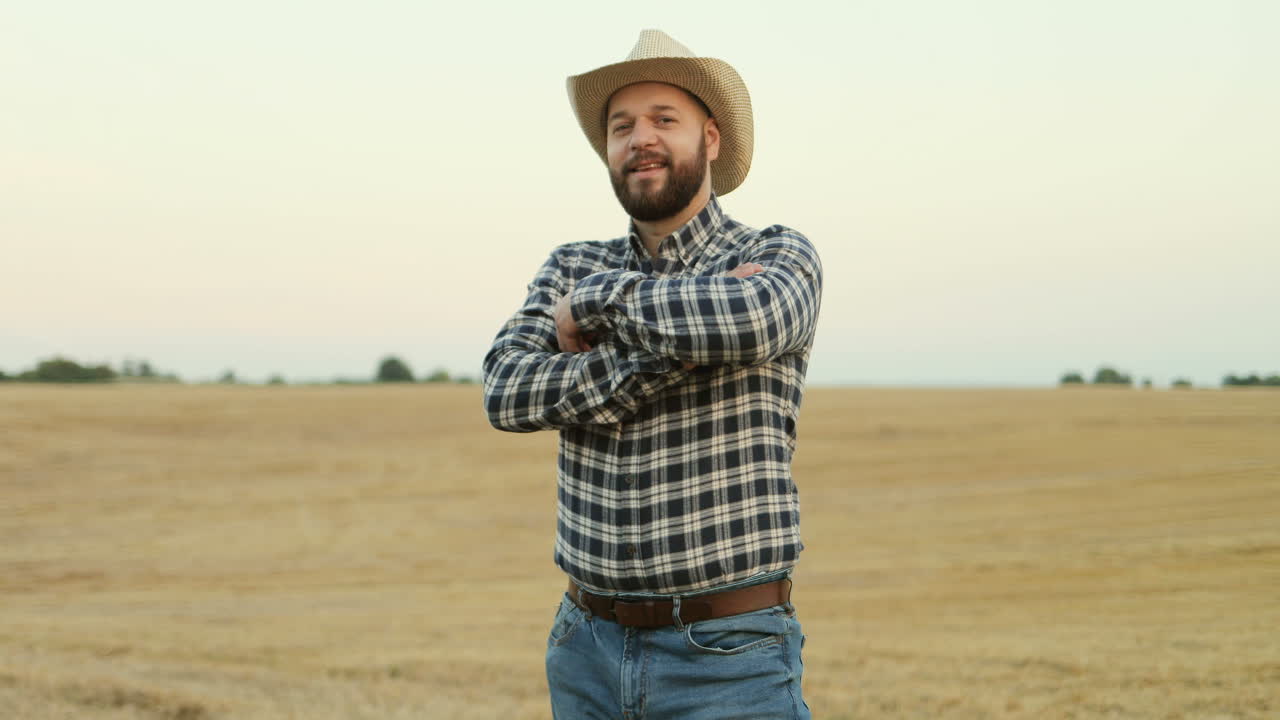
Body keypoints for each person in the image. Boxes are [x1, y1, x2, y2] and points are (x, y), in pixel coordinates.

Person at [481, 29, 822, 720]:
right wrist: (672, 351)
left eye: (665, 119)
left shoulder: (776, 254)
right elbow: (507, 389)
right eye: (622, 125)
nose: (642, 138)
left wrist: (597, 305)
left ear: (712, 139)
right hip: (586, 648)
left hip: (731, 654)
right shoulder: (570, 262)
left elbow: (751, 320)